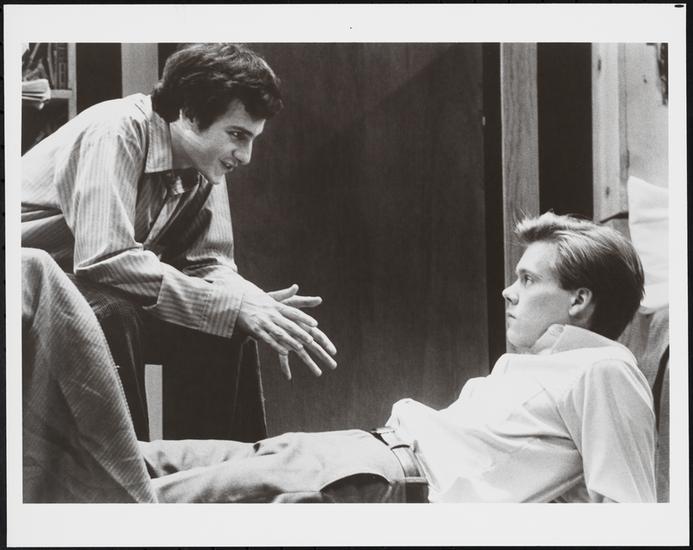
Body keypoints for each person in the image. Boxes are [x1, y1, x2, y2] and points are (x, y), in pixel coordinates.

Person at [20, 213, 656, 503]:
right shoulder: (538, 365)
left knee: (139, 504)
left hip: (380, 473)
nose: (508, 292)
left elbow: (626, 513)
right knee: (130, 462)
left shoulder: (603, 369)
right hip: (355, 449)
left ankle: (33, 284)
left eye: (528, 280)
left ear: (580, 300)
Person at [21, 43, 337, 442]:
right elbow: (104, 259)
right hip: (25, 288)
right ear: (187, 113)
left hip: (75, 286)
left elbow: (210, 263)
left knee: (226, 325)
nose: (245, 155)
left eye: (252, 138)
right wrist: (229, 305)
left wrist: (249, 302)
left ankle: (220, 469)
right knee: (114, 310)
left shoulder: (203, 163)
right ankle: (131, 470)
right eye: (237, 135)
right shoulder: (116, 130)